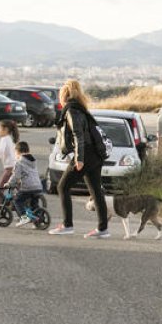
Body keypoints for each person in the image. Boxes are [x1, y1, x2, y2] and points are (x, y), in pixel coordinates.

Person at [48, 80, 109, 238]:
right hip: (96, 154)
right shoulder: (81, 108)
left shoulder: (72, 110)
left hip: (86, 154)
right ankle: (103, 229)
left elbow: (78, 135)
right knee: (95, 190)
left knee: (62, 187)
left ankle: (67, 225)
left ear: (64, 95)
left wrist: (79, 159)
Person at [10, 140, 44, 227]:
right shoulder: (32, 161)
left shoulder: (19, 162)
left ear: (17, 151)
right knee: (34, 205)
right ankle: (39, 221)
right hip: (38, 186)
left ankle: (23, 217)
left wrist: (9, 183)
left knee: (17, 200)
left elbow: (16, 176)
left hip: (28, 187)